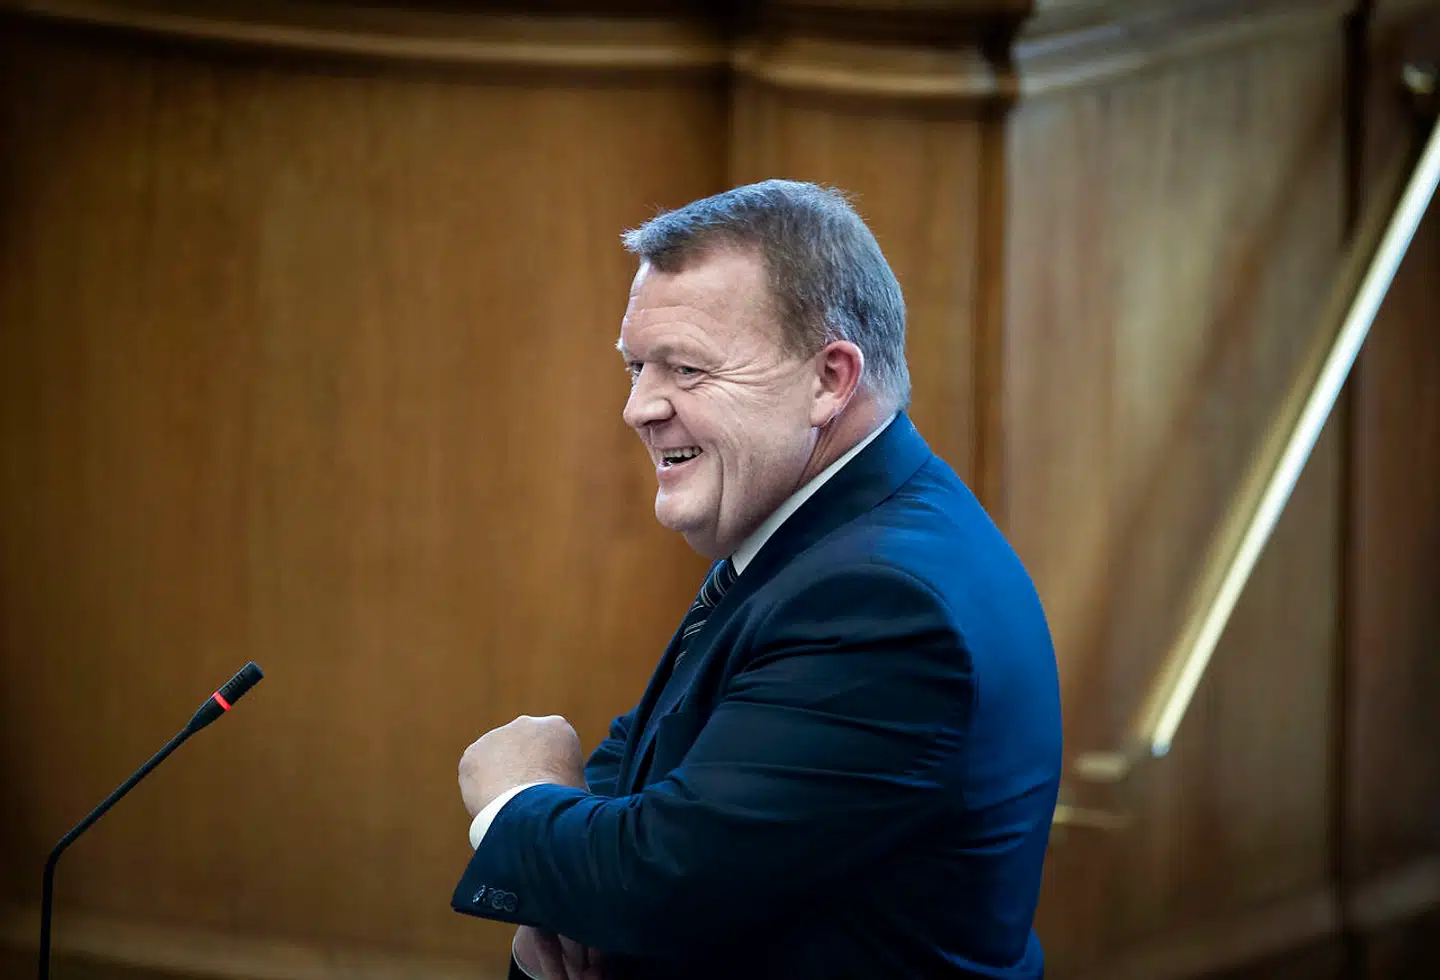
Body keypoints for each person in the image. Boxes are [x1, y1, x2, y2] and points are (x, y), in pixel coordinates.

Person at [452, 180, 1061, 979]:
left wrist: (513, 799)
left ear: (830, 378)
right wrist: (564, 893)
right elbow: (658, 757)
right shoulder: (826, 535)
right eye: (637, 367)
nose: (639, 408)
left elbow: (656, 883)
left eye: (687, 370)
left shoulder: (882, 603)